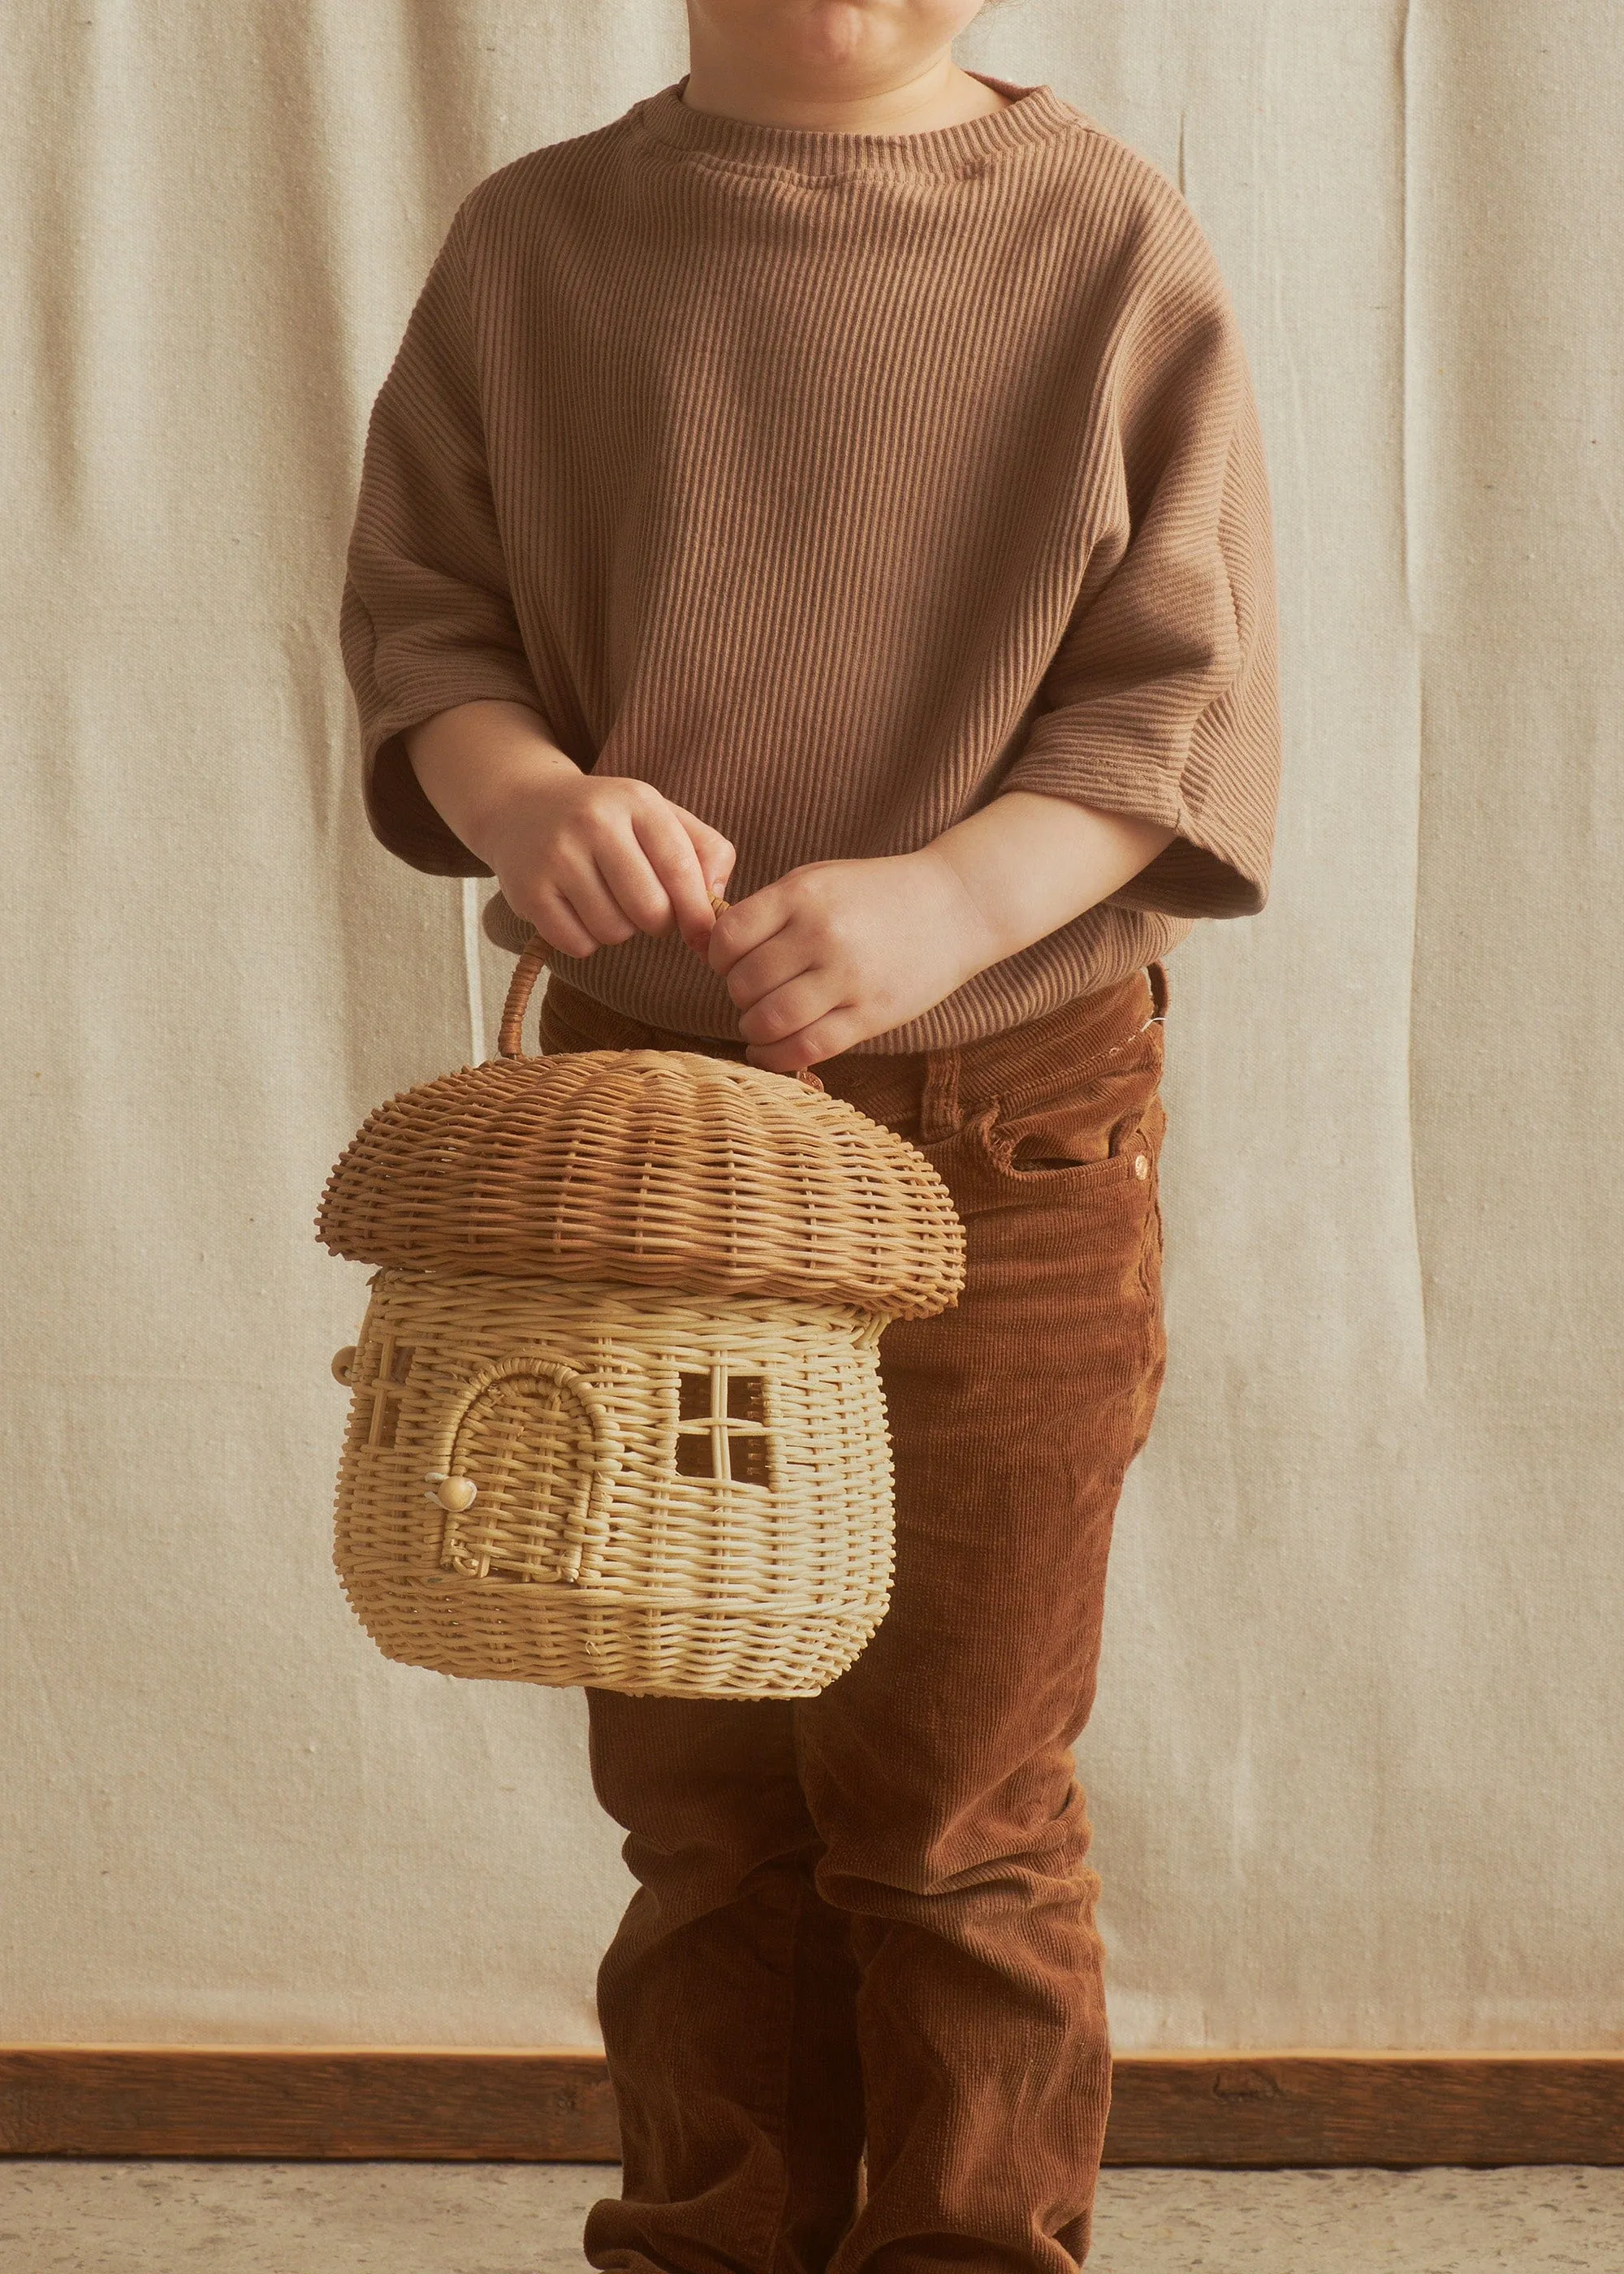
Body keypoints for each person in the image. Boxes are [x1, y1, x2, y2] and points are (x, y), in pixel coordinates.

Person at [338, 4, 1281, 2268]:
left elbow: (1184, 696)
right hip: (639, 1137)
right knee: (707, 1806)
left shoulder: (1101, 242)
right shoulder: (541, 246)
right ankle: (719, 2239)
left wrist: (959, 898)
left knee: (951, 1797)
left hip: (1013, 1114)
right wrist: (533, 803)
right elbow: (422, 632)